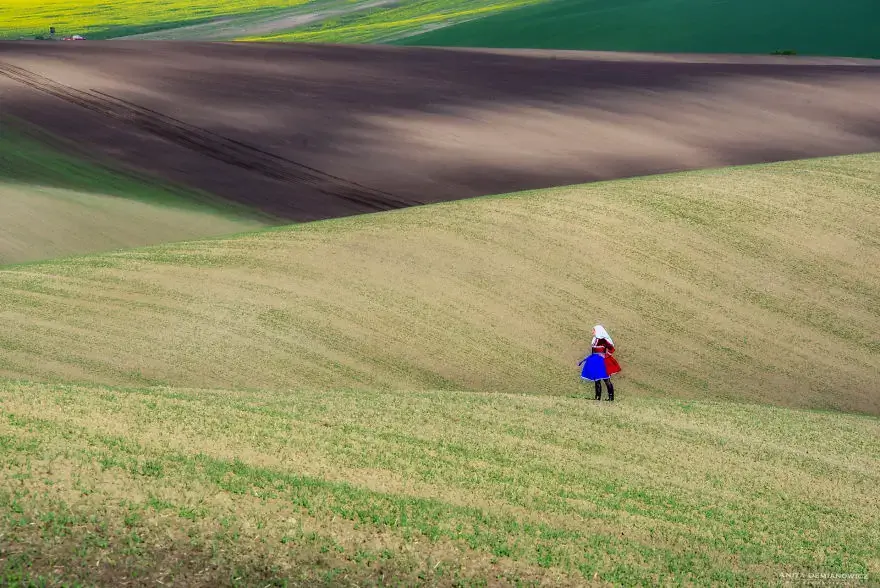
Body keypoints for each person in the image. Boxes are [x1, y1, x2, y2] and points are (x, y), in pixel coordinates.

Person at [577, 325, 621, 401]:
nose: (592, 332)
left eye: (593, 330)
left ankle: (611, 398)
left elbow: (611, 349)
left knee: (606, 379)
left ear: (598, 331)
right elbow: (594, 351)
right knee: (596, 380)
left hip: (601, 362)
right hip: (594, 361)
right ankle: (597, 397)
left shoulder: (603, 340)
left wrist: (606, 355)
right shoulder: (594, 340)